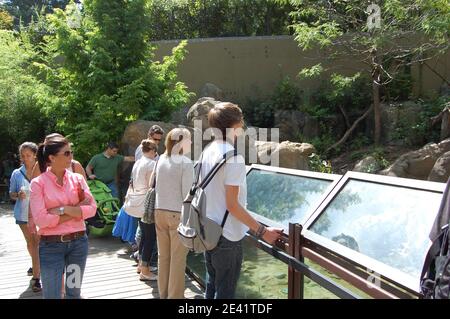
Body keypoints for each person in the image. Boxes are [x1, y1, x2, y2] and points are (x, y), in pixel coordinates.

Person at [201, 102, 282, 299]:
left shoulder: (207, 151)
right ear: (235, 125)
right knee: (225, 293)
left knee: (211, 287)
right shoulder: (233, 157)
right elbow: (232, 205)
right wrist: (263, 232)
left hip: (208, 230)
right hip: (227, 236)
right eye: (241, 120)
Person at [30, 136, 97, 299]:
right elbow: (41, 220)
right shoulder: (38, 183)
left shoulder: (78, 179)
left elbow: (92, 209)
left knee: (73, 293)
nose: (71, 156)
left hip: (78, 245)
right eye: (66, 153)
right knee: (52, 295)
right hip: (51, 246)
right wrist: (76, 212)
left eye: (71, 152)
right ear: (51, 158)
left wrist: (63, 210)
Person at [153, 128, 194, 298]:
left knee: (164, 257)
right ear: (181, 142)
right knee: (178, 259)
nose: (191, 143)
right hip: (177, 214)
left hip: (159, 211)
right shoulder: (185, 162)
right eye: (189, 139)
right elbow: (188, 194)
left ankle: (163, 294)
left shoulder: (161, 159)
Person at [9, 142, 41, 292]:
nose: (25, 158)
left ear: (35, 154)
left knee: (38, 243)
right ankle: (35, 265)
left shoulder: (43, 170)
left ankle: (37, 273)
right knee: (30, 243)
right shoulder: (17, 173)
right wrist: (17, 195)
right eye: (23, 156)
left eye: (28, 155)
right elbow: (11, 194)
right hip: (22, 213)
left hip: (39, 214)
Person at [132, 140, 158, 281]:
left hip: (137, 204)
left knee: (143, 236)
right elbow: (151, 186)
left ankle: (141, 265)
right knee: (150, 238)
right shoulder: (151, 164)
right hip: (147, 205)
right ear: (152, 150)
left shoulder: (138, 162)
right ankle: (145, 271)